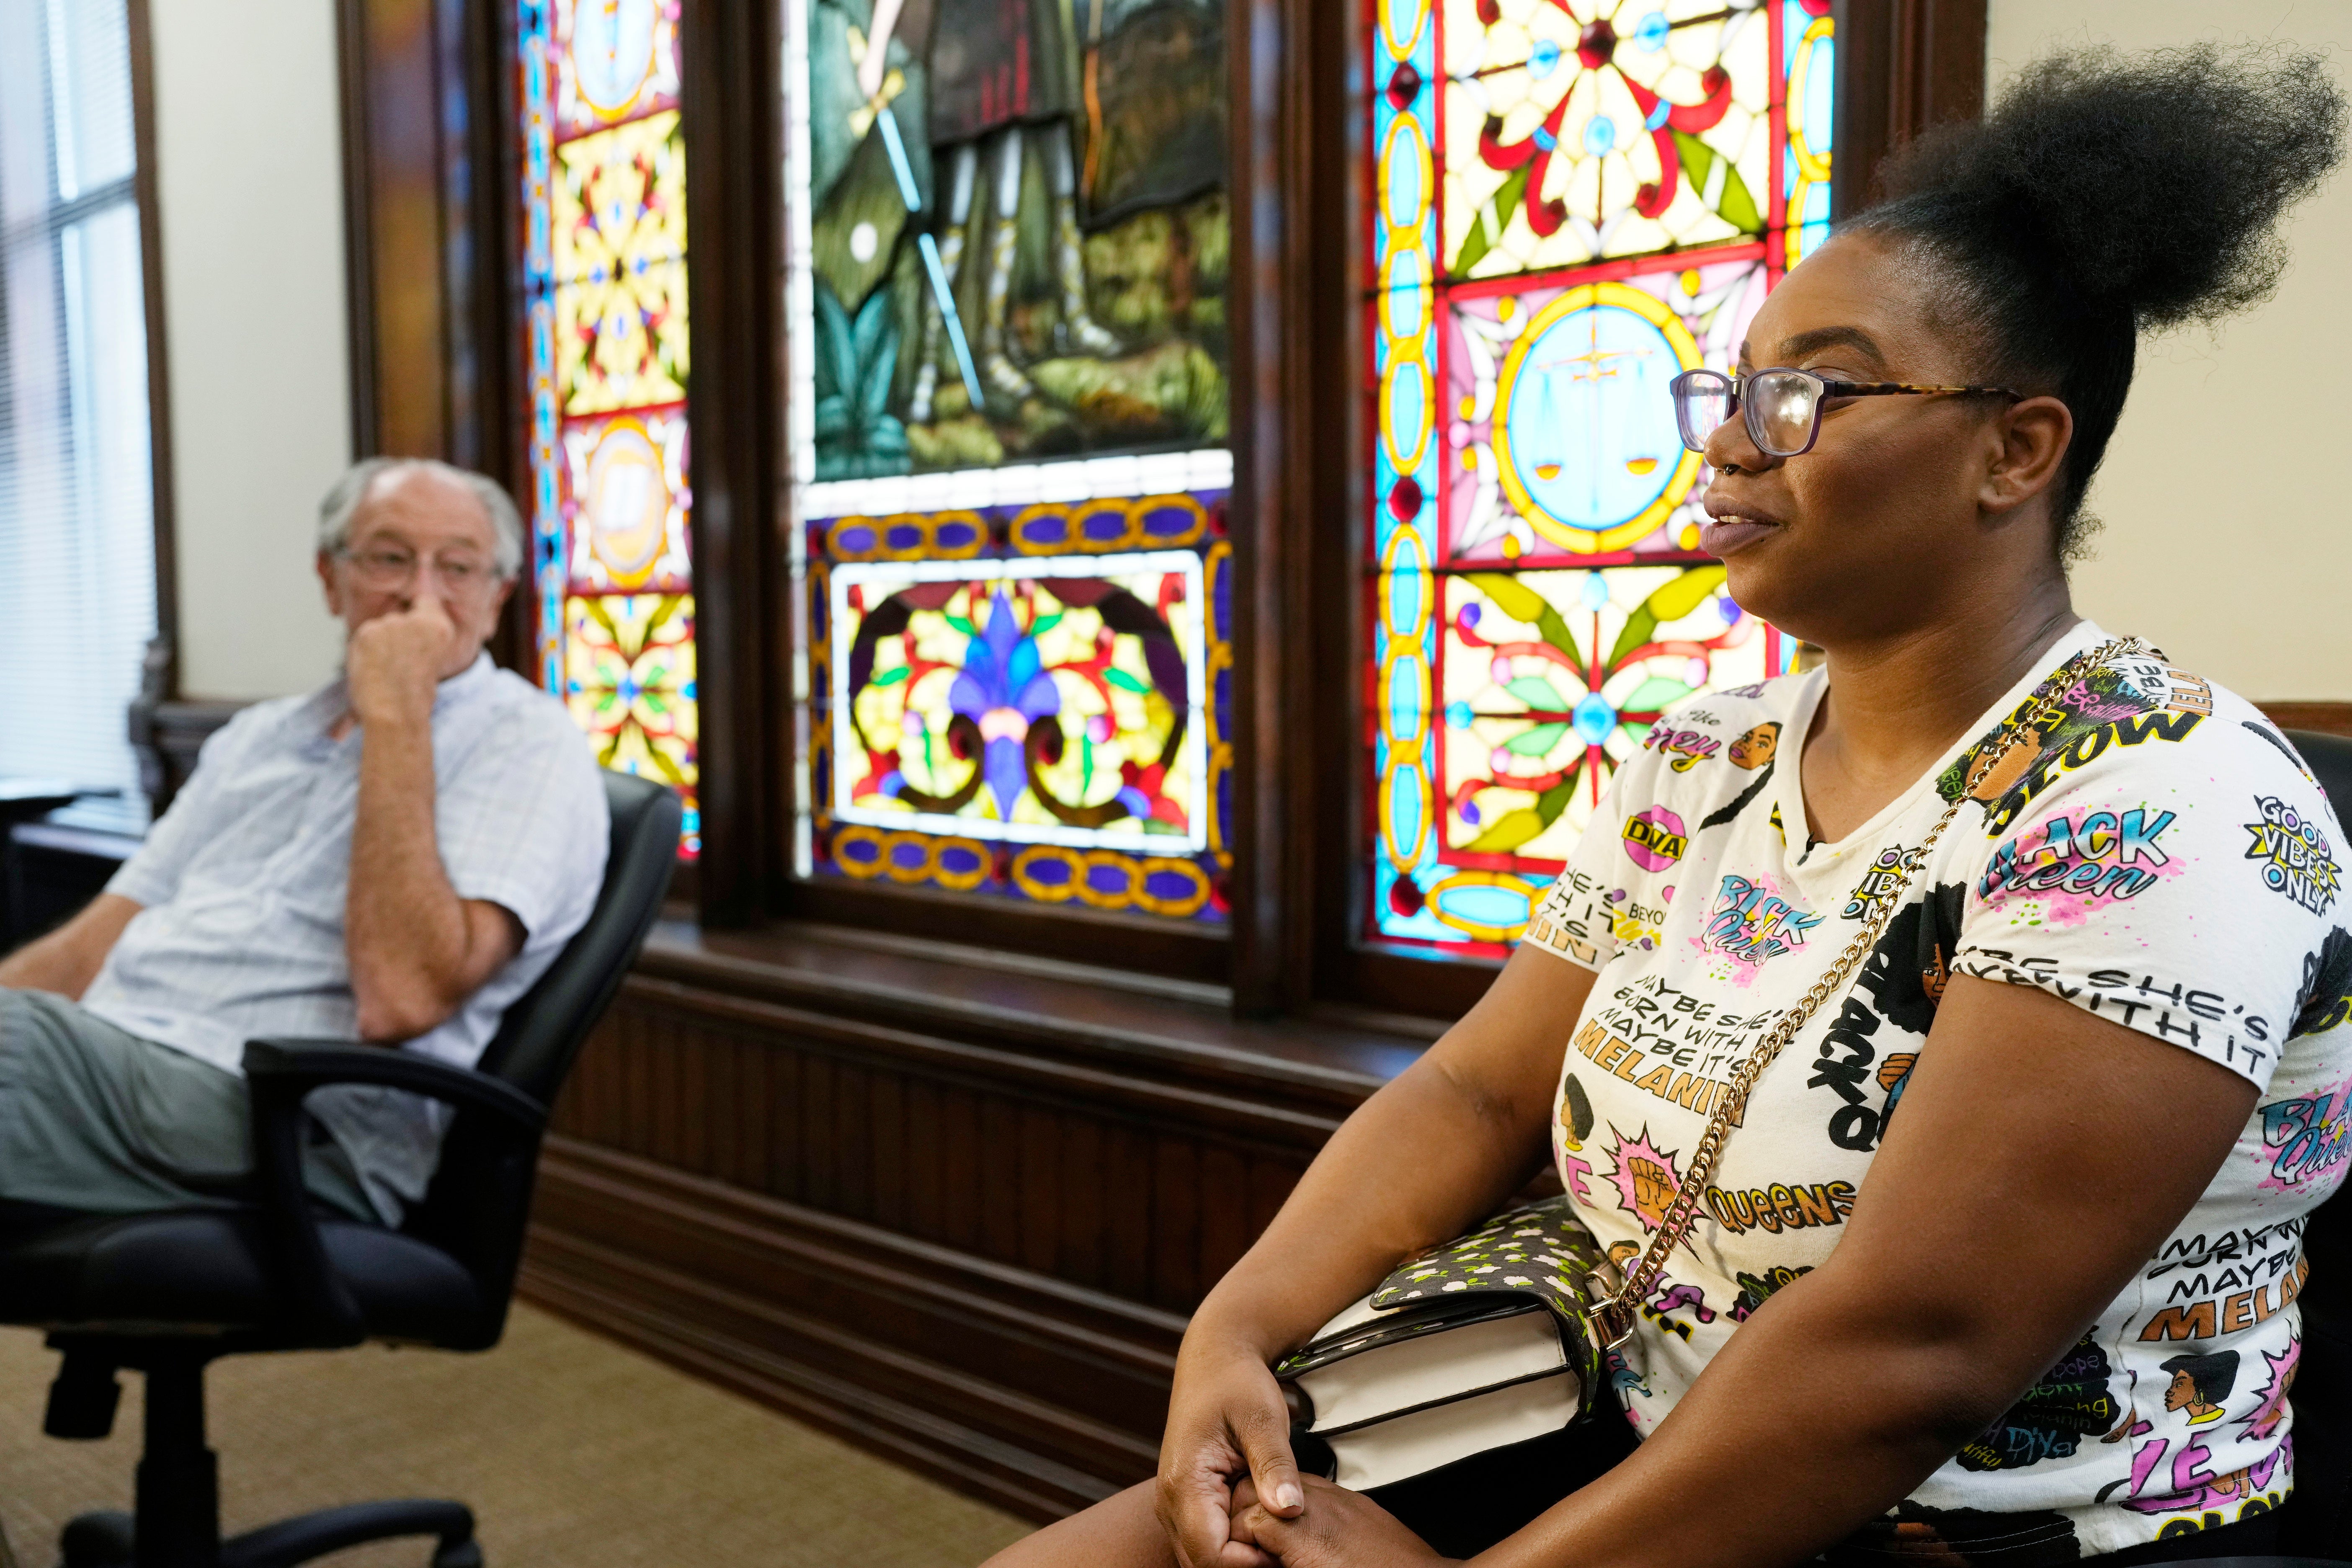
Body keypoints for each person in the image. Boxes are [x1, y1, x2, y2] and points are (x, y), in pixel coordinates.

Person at [987, 44, 2349, 1568]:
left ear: (2012, 450)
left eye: (1803, 394)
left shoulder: (2169, 804)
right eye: (1728, 388)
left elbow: (1914, 1353)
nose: (1722, 441)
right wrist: (1228, 1332)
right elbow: (1476, 1094)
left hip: (1965, 1528)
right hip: (1607, 1415)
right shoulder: (1703, 752)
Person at [0, 458, 608, 1231]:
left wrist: (397, 716)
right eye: (390, 559)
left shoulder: (530, 747)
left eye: (457, 567)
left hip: (290, 1126)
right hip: (112, 1062)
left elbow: (403, 997)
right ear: (332, 579)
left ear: (497, 600)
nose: (422, 594)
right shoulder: (260, 736)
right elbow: (96, 941)